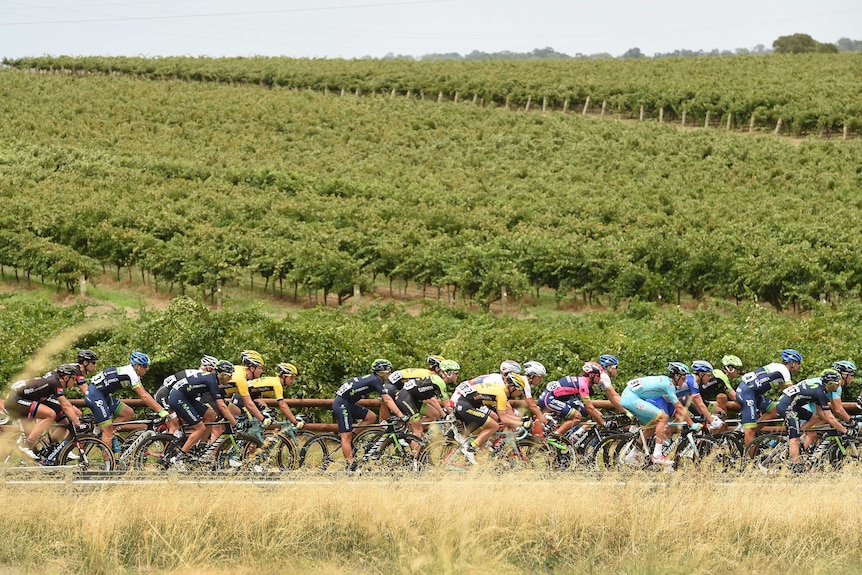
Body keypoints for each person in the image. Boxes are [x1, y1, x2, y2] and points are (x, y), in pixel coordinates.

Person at [83, 351, 168, 454]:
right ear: (137, 366)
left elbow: (144, 394)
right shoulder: (130, 373)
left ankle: (107, 433)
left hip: (102, 394)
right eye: (145, 366)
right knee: (108, 431)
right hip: (95, 394)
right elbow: (144, 396)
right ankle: (108, 466)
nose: (147, 369)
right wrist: (161, 410)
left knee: (128, 413)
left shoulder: (130, 372)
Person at [619, 363, 701, 466]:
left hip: (629, 397)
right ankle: (657, 455)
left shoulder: (665, 380)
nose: (684, 380)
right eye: (683, 377)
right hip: (631, 398)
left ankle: (632, 455)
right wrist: (692, 424)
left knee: (654, 424)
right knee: (664, 417)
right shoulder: (669, 385)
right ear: (676, 376)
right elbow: (679, 407)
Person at [332, 359, 406, 472]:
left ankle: (353, 437)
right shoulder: (375, 380)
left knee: (371, 417)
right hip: (342, 404)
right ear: (381, 372)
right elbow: (387, 400)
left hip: (347, 402)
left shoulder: (374, 378)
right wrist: (400, 415)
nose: (390, 374)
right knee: (345, 437)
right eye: (389, 372)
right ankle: (351, 466)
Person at [5, 364, 88, 459]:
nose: (75, 382)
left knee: (64, 422)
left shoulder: (55, 378)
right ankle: (26, 445)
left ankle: (57, 447)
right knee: (50, 414)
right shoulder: (54, 382)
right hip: (15, 399)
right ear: (66, 377)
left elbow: (63, 404)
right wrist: (78, 424)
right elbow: (66, 405)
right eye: (73, 379)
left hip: (30, 397)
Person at [167, 360, 239, 468]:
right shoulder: (212, 381)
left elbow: (218, 403)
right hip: (179, 397)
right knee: (200, 428)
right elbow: (221, 406)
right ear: (222, 374)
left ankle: (202, 447)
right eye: (230, 375)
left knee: (212, 416)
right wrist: (235, 423)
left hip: (187, 397)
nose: (231, 378)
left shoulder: (213, 379)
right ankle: (178, 458)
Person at [775, 368, 850, 468]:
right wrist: (844, 430)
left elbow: (821, 413)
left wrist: (834, 424)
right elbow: (829, 417)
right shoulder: (821, 393)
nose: (839, 385)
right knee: (794, 439)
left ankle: (799, 433)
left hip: (791, 405)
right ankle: (796, 468)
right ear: (830, 384)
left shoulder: (820, 389)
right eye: (837, 383)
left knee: (813, 418)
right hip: (786, 407)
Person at [451, 372, 528, 460]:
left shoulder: (501, 391)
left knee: (490, 425)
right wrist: (522, 424)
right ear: (513, 388)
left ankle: (481, 460)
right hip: (465, 406)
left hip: (469, 404)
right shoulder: (501, 394)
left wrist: (522, 420)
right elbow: (505, 419)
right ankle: (469, 449)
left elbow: (504, 415)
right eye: (520, 390)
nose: (521, 394)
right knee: (494, 426)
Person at [735, 349, 802, 446]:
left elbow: (785, 391)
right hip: (747, 393)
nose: (799, 366)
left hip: (752, 392)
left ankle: (752, 432)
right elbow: (791, 392)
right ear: (792, 363)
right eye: (798, 363)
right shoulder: (784, 371)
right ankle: (750, 459)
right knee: (750, 430)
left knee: (774, 410)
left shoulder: (777, 367)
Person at [536, 362, 608, 436]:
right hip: (549, 399)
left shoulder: (579, 381)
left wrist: (601, 416)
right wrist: (603, 423)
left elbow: (587, 406)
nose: (600, 378)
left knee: (570, 416)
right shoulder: (583, 385)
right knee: (577, 417)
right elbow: (589, 407)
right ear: (592, 375)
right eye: (599, 375)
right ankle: (554, 436)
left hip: (547, 398)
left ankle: (550, 430)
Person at [154, 355, 217, 435]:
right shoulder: (199, 375)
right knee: (175, 424)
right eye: (215, 370)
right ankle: (168, 445)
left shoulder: (195, 373)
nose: (216, 373)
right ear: (209, 368)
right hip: (164, 396)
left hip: (172, 396)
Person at [244, 362, 306, 429]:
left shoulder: (275, 381)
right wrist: (295, 422)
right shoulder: (277, 384)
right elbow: (282, 406)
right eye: (291, 377)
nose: (293, 380)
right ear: (284, 376)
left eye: (294, 377)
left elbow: (256, 396)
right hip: (242, 398)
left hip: (249, 397)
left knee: (270, 416)